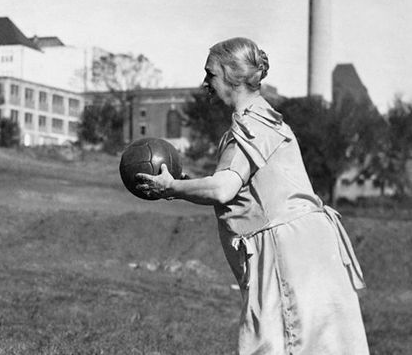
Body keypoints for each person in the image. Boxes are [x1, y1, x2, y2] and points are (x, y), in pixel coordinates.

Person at [136, 37, 369, 354]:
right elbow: (239, 188)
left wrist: (170, 187)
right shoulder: (266, 119)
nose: (205, 83)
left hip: (289, 252)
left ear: (232, 75)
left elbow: (222, 188)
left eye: (211, 75)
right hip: (305, 248)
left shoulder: (250, 124)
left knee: (280, 347)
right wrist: (187, 183)